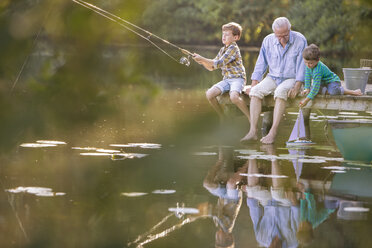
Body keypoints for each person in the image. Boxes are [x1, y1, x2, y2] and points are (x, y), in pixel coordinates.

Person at [241, 17, 307, 144]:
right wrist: (254, 83)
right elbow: (261, 63)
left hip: (291, 78)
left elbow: (302, 66)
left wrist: (297, 85)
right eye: (278, 36)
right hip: (273, 77)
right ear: (274, 33)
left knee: (280, 92)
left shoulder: (300, 40)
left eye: (285, 35)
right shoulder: (268, 40)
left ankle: (273, 132)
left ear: (290, 29)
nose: (281, 39)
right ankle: (253, 131)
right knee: (255, 91)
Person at [192, 22, 250, 123]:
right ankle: (222, 117)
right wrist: (201, 61)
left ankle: (250, 118)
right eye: (223, 34)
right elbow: (212, 67)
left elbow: (219, 63)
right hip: (227, 80)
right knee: (209, 94)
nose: (224, 36)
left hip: (238, 79)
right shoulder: (223, 49)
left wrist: (202, 58)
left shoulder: (233, 48)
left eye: (227, 35)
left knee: (234, 97)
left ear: (235, 37)